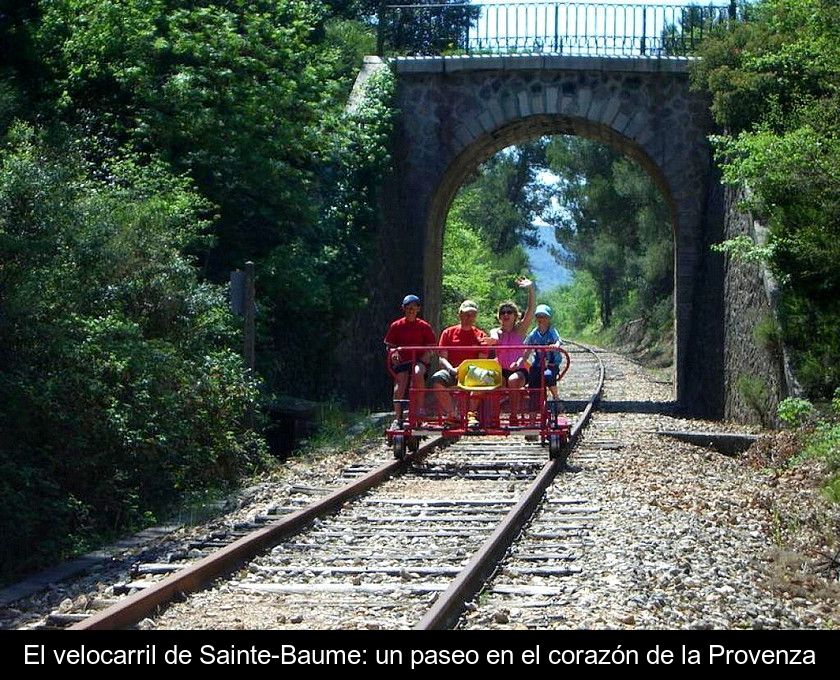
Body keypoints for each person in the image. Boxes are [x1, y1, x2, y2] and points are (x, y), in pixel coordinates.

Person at [483, 277, 536, 425]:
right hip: (501, 369)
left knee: (513, 381)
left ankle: (513, 416)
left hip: (518, 370)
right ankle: (494, 418)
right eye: (503, 313)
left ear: (515, 316)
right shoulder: (496, 331)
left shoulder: (520, 330)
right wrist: (493, 340)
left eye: (509, 312)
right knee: (493, 381)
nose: (506, 315)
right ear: (499, 317)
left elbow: (531, 311)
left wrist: (530, 289)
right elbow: (494, 336)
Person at [429, 299, 488, 426]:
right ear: (460, 314)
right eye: (467, 314)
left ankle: (471, 414)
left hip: (472, 372)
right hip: (453, 371)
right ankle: (452, 414)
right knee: (437, 379)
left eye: (472, 314)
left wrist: (467, 369)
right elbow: (442, 358)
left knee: (484, 377)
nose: (469, 317)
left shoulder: (481, 335)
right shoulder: (448, 333)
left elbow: (482, 359)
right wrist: (452, 369)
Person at [384, 294, 436, 427]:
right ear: (404, 308)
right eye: (408, 307)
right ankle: (398, 417)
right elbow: (390, 345)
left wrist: (427, 354)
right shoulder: (396, 326)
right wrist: (394, 353)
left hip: (418, 360)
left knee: (418, 373)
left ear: (418, 309)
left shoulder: (424, 326)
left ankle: (419, 410)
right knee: (400, 381)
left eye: (413, 307)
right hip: (403, 361)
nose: (411, 310)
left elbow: (431, 347)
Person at [523, 303, 562, 402]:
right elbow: (527, 347)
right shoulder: (534, 333)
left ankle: (556, 397)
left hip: (551, 363)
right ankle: (534, 402)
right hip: (538, 364)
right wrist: (521, 360)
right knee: (533, 375)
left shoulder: (551, 331)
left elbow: (558, 340)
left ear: (548, 318)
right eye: (538, 316)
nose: (541, 319)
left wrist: (556, 345)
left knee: (548, 375)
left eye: (544, 316)